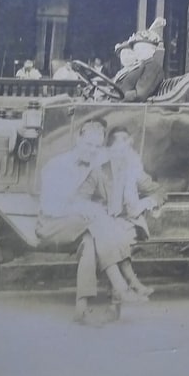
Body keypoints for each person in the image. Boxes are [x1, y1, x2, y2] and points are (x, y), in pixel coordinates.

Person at [35, 119, 145, 324]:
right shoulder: (56, 165)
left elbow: (122, 159)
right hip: (50, 225)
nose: (92, 151)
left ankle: (81, 308)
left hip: (79, 225)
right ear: (78, 139)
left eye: (96, 147)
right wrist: (81, 209)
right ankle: (122, 285)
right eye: (88, 145)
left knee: (90, 241)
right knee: (95, 222)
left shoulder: (94, 165)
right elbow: (50, 208)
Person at [103, 126, 167, 296]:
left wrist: (149, 202)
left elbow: (158, 191)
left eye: (128, 142)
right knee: (115, 236)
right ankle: (131, 284)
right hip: (103, 218)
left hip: (126, 220)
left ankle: (122, 286)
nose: (127, 146)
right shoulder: (101, 169)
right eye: (121, 142)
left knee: (119, 235)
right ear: (110, 148)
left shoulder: (132, 168)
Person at [116, 18, 165, 102]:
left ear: (152, 50)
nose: (138, 52)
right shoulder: (144, 64)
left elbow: (140, 95)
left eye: (142, 48)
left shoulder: (152, 67)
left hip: (130, 109)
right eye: (136, 49)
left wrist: (121, 98)